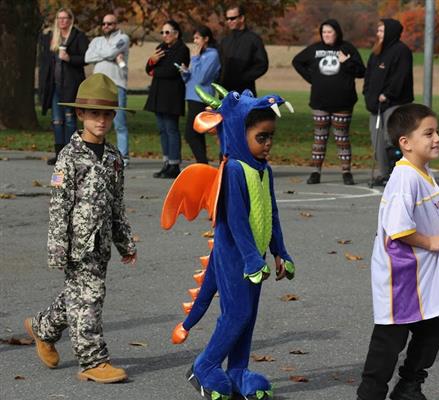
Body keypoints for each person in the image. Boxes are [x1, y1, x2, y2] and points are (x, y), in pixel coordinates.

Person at [163, 90, 295, 400]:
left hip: (255, 260)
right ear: (238, 132)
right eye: (261, 138)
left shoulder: (265, 171)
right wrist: (251, 259)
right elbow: (235, 221)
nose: (268, 145)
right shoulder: (234, 170)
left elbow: (271, 213)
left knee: (247, 317)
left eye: (271, 138)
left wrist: (280, 252)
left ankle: (236, 371)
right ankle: (204, 366)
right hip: (235, 256)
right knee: (235, 315)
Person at [24, 73, 137, 383]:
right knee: (91, 296)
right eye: (94, 114)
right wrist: (58, 248)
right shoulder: (68, 158)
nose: (101, 120)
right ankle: (92, 360)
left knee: (78, 294)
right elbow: (58, 206)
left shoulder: (114, 157)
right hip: (76, 244)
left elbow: (116, 204)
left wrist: (125, 243)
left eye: (107, 114)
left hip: (100, 244)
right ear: (81, 115)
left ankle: (43, 327)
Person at [356, 103, 439, 400]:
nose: (438, 139)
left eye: (437, 132)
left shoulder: (421, 172)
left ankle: (408, 386)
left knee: (433, 329)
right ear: (405, 143)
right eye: (428, 133)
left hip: (423, 271)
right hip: (403, 274)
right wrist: (431, 242)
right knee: (389, 341)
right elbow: (398, 228)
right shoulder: (405, 178)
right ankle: (370, 394)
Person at [292, 19, 365, 185]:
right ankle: (315, 172)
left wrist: (346, 62)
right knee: (320, 138)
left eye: (330, 32)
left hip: (343, 103)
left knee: (342, 138)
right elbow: (297, 61)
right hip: (319, 102)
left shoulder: (347, 48)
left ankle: (346, 172)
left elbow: (361, 71)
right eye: (324, 32)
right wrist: (312, 78)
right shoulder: (315, 49)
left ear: (337, 33)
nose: (326, 35)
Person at [363, 19, 414, 186]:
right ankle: (383, 173)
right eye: (378, 30)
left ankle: (396, 173)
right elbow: (369, 75)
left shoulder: (402, 51)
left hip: (394, 103)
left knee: (390, 139)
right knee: (376, 139)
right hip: (375, 105)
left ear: (391, 32)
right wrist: (368, 93)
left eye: (381, 31)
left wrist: (388, 94)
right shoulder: (376, 52)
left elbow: (400, 77)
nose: (378, 34)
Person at [38, 8, 89, 166]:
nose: (62, 21)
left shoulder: (78, 36)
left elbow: (86, 58)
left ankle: (71, 154)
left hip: (71, 85)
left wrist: (69, 58)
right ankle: (59, 154)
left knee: (69, 120)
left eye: (65, 18)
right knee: (57, 121)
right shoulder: (52, 37)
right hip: (55, 86)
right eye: (59, 18)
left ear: (71, 19)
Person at [144, 20, 190, 179]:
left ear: (176, 34)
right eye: (162, 32)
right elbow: (148, 68)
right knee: (162, 129)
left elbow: (172, 71)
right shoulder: (161, 48)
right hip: (158, 94)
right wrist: (152, 61)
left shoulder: (182, 50)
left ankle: (174, 164)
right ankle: (166, 162)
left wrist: (155, 70)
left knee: (171, 129)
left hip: (172, 95)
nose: (164, 35)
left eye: (167, 32)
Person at [85, 13, 131, 166]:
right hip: (98, 86)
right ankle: (97, 154)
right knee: (97, 122)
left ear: (116, 24)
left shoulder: (123, 39)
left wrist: (103, 54)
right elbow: (87, 58)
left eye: (110, 24)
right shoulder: (97, 40)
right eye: (104, 24)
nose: (106, 26)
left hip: (117, 84)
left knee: (119, 122)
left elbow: (111, 53)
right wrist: (107, 55)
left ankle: (123, 156)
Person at [180, 25, 220, 164]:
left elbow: (203, 78)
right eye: (194, 38)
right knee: (197, 133)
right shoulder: (200, 55)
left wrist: (195, 59)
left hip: (201, 98)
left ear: (206, 38)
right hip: (191, 96)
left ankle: (202, 163)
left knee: (190, 134)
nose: (195, 41)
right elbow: (192, 78)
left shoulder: (212, 55)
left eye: (197, 38)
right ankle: (202, 164)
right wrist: (185, 72)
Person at [219, 4, 268, 95]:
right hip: (225, 93)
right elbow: (219, 64)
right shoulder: (225, 41)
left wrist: (242, 78)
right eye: (227, 19)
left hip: (245, 92)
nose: (229, 21)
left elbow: (262, 65)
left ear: (242, 18)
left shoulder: (253, 39)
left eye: (232, 18)